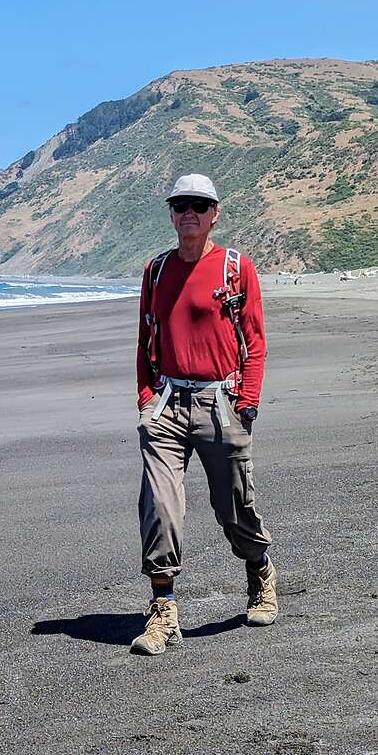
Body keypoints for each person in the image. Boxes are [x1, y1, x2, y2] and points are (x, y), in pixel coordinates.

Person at [130, 173, 276, 656]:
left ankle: (259, 571)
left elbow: (254, 341)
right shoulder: (155, 271)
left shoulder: (236, 268)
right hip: (168, 404)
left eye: (199, 205)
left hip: (222, 403)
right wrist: (146, 399)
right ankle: (163, 607)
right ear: (171, 215)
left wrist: (247, 403)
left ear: (215, 213)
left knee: (233, 507)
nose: (188, 213)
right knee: (160, 504)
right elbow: (144, 342)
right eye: (180, 205)